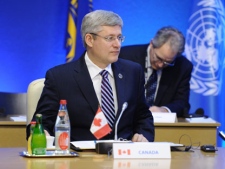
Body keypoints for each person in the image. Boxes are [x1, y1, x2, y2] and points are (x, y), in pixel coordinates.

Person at [26, 10, 154, 142]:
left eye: (119, 37)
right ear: (89, 40)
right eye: (110, 38)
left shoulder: (133, 72)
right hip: (79, 158)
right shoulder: (60, 77)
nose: (117, 44)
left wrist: (143, 135)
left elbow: (143, 116)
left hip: (123, 156)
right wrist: (43, 134)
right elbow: (41, 122)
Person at [119, 26, 193, 117]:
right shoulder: (124, 57)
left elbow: (182, 103)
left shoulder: (183, 67)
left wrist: (164, 110)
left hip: (161, 127)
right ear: (151, 44)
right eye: (159, 58)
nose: (161, 65)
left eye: (168, 62)